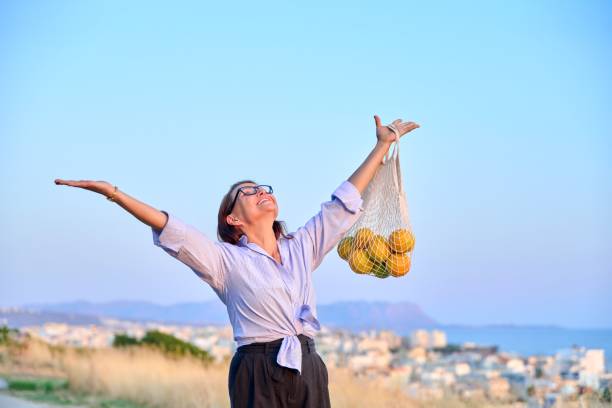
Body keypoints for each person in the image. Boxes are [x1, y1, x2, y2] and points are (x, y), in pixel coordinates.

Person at [54, 114, 420, 408]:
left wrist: (381, 146)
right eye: (249, 191)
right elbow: (173, 229)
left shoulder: (303, 245)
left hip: (308, 364)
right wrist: (115, 195)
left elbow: (343, 205)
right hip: (256, 369)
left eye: (266, 188)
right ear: (232, 218)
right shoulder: (225, 261)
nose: (262, 191)